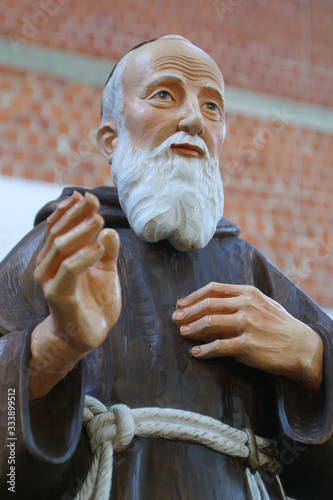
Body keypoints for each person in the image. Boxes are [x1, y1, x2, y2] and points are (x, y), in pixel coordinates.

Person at [0, 35, 332, 500]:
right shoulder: (57, 252)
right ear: (110, 139)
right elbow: (8, 472)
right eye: (164, 95)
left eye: (212, 106)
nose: (194, 119)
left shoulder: (248, 267)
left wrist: (311, 357)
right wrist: (55, 347)